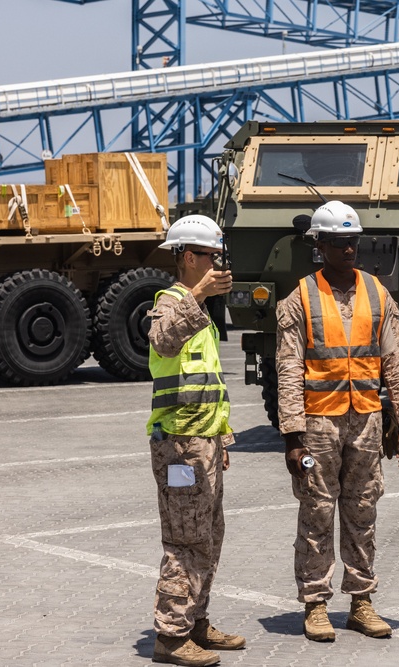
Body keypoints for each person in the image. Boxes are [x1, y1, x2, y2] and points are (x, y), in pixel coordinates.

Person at [275, 200, 399, 642]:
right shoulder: (299, 299)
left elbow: (396, 362)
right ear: (319, 246)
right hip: (318, 427)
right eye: (339, 243)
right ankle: (316, 604)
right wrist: (292, 437)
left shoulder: (378, 294)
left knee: (363, 512)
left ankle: (361, 601)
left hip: (366, 423)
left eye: (353, 242)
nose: (348, 251)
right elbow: (288, 369)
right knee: (317, 512)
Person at [146, 214, 245, 667]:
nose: (218, 264)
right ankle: (170, 637)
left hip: (202, 440)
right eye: (211, 256)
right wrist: (200, 293)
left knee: (208, 536)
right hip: (180, 444)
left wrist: (221, 437)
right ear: (189, 257)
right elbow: (163, 342)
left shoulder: (198, 311)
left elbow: (206, 383)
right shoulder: (171, 303)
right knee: (184, 539)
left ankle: (195, 622)